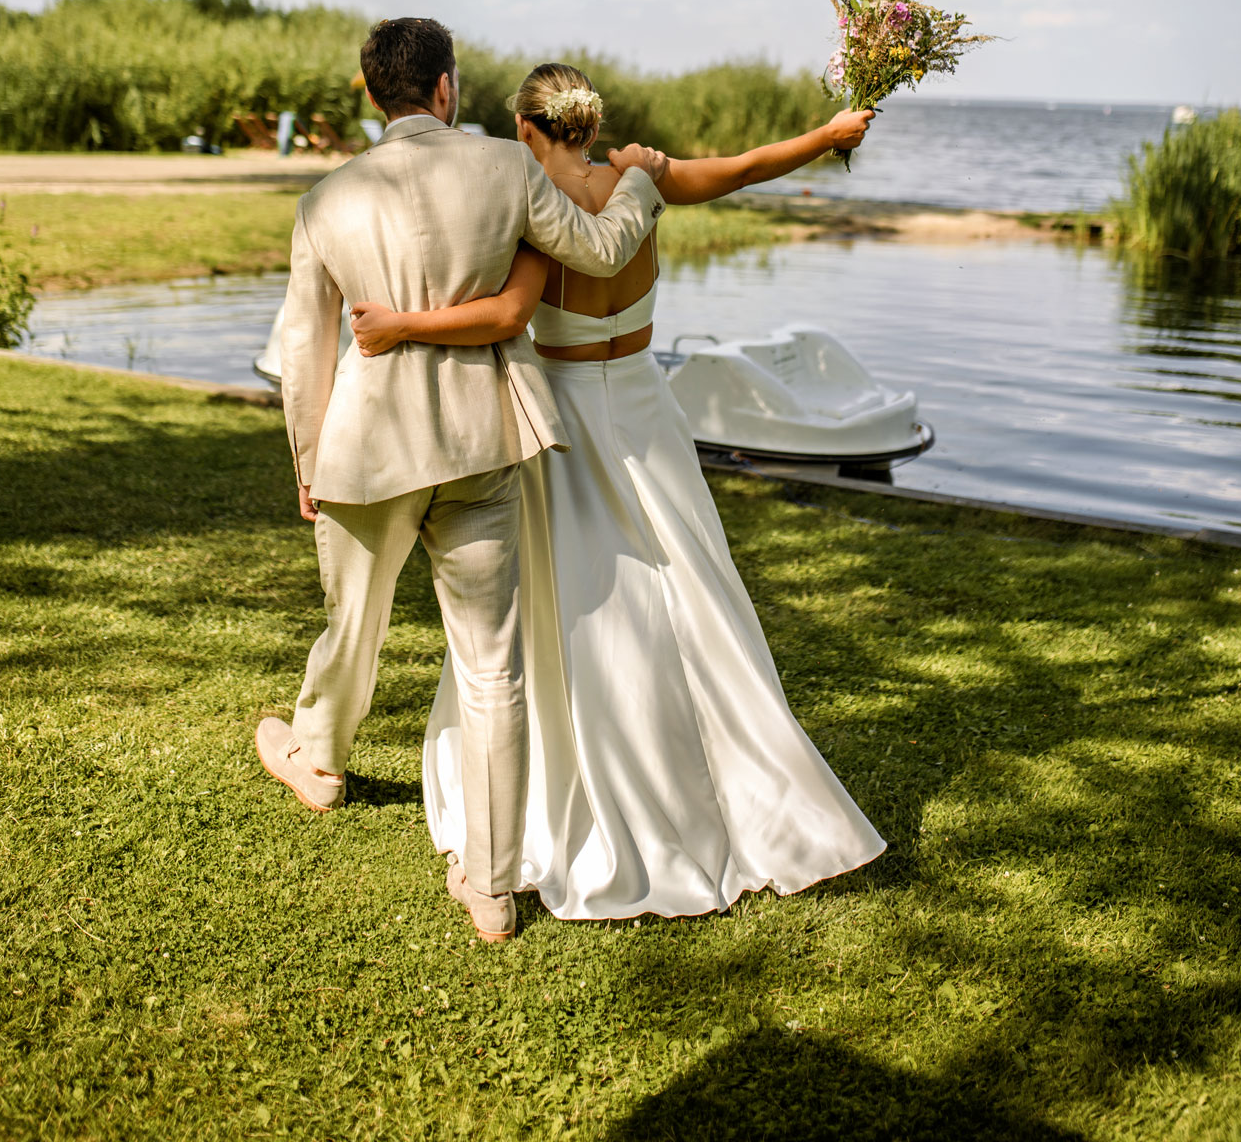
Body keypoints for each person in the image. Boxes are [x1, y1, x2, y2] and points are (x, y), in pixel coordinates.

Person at [350, 64, 886, 922]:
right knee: (687, 587)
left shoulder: (529, 210)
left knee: (566, 607)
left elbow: (502, 315)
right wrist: (829, 135)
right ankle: (737, 786)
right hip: (645, 412)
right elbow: (746, 168)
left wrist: (398, 325)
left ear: (527, 129)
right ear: (591, 126)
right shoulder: (645, 182)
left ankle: (570, 792)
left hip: (560, 422)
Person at [256, 22, 667, 945]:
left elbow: (304, 349)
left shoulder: (325, 201)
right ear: (446, 87)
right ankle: (491, 888)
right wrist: (640, 182)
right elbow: (602, 250)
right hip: (483, 443)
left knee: (353, 623)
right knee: (492, 668)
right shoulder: (505, 167)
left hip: (367, 452)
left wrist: (307, 461)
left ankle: (317, 761)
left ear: (374, 94)